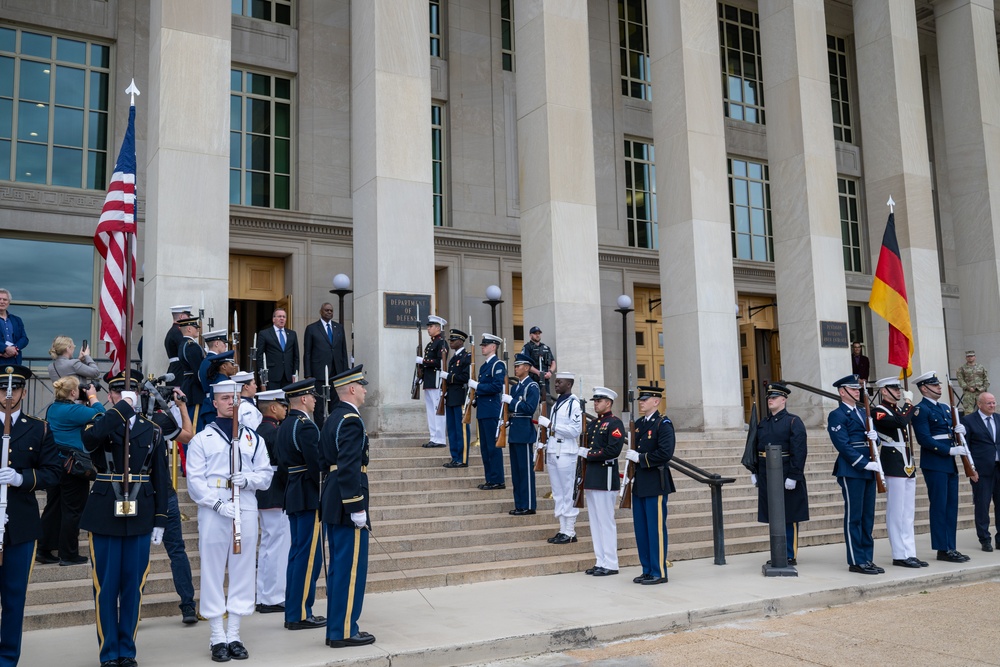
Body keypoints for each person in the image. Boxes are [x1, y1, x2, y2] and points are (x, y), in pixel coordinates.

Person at [80, 369, 170, 667]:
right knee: (106, 587)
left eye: (130, 393)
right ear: (111, 396)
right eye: (118, 394)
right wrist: (119, 410)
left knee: (134, 587)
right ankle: (109, 652)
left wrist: (160, 518)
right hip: (105, 514)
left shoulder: (152, 429)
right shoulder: (101, 423)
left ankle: (127, 651)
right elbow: (91, 440)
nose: (125, 398)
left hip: (141, 514)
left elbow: (160, 476)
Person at [185, 380, 273, 662]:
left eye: (233, 398)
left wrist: (248, 480)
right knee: (212, 569)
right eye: (224, 399)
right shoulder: (202, 438)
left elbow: (266, 475)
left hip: (245, 505)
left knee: (243, 568)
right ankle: (216, 636)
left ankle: (234, 633)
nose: (229, 403)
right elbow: (195, 481)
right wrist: (218, 503)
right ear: (215, 402)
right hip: (214, 508)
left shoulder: (253, 438)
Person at [0, 364, 61, 665]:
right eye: (2, 389)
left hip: (21, 526)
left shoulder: (38, 428)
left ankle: (8, 659)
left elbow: (52, 474)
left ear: (24, 391)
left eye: (14, 389)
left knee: (14, 598)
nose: (8, 395)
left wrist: (21, 478)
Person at [321, 365, 376, 648]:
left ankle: (336, 629)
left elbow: (326, 462)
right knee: (350, 568)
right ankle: (344, 631)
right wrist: (356, 506)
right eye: (362, 385)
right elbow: (349, 466)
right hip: (346, 502)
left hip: (333, 497)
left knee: (339, 568)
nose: (366, 389)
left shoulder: (333, 417)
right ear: (351, 389)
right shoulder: (351, 420)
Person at [275, 378, 326, 631]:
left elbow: (283, 466)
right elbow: (316, 465)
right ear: (304, 399)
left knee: (297, 555)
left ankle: (295, 611)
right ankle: (300, 614)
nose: (316, 400)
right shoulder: (306, 427)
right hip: (308, 495)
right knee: (308, 558)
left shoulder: (285, 425)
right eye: (313, 396)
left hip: (293, 492)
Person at [38, 376, 104, 566]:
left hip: (55, 464)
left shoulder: (53, 408)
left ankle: (44, 548)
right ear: (73, 392)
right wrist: (93, 397)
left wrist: (83, 400)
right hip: (73, 468)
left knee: (53, 507)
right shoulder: (74, 410)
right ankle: (68, 554)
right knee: (73, 510)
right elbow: (102, 416)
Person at [911, 370, 972, 563]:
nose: (939, 388)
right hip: (935, 462)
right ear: (924, 388)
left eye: (938, 384)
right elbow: (925, 439)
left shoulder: (945, 408)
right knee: (939, 506)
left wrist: (962, 430)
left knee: (951, 506)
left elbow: (951, 432)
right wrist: (948, 451)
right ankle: (942, 548)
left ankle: (950, 546)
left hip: (949, 462)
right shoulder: (921, 410)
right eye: (934, 385)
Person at [827, 374, 884, 575]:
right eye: (853, 389)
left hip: (870, 467)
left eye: (858, 389)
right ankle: (856, 560)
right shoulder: (837, 415)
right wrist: (863, 464)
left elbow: (872, 441)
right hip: (852, 469)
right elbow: (842, 444)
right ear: (842, 392)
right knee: (854, 517)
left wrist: (875, 439)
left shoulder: (863, 412)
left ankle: (867, 558)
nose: (857, 391)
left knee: (867, 517)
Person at [156, 386, 199, 625]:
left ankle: (187, 605)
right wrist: (182, 406)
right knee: (176, 551)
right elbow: (188, 435)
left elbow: (187, 436)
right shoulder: (158, 420)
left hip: (159, 494)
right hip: (156, 494)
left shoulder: (156, 420)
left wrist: (180, 407)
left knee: (175, 551)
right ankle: (188, 606)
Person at [871, 377, 925, 568]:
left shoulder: (897, 409)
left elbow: (904, 418)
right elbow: (901, 421)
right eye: (894, 388)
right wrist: (909, 404)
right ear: (884, 391)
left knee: (908, 512)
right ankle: (899, 554)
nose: (899, 391)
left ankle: (910, 552)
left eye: (899, 388)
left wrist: (906, 407)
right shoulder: (879, 411)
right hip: (893, 462)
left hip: (907, 461)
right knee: (896, 511)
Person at [752, 382, 807, 566]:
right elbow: (756, 447)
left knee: (789, 514)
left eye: (774, 397)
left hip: (785, 473)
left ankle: (789, 554)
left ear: (783, 400)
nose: (770, 400)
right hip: (767, 473)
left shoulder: (793, 421)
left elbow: (799, 451)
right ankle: (778, 551)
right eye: (769, 398)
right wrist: (754, 471)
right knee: (774, 515)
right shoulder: (764, 423)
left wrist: (794, 475)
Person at [254, 389, 290, 614]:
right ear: (273, 407)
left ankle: (265, 594)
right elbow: (283, 462)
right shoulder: (273, 431)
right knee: (277, 546)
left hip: (267, 492)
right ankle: (273, 596)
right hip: (275, 491)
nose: (286, 409)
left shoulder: (260, 429)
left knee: (269, 544)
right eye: (283, 406)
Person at [580, 387, 623, 576]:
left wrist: (589, 454)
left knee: (605, 521)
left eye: (599, 401)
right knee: (595, 522)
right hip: (592, 477)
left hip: (605, 477)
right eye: (595, 401)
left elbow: (613, 451)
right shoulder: (593, 424)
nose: (595, 403)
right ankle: (600, 560)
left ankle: (611, 563)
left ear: (609, 403)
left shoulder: (614, 423)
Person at [538, 372, 582, 544]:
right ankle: (563, 529)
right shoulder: (558, 403)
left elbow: (574, 431)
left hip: (566, 452)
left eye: (559, 382)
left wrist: (551, 425)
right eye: (555, 382)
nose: (556, 384)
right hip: (553, 450)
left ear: (569, 384)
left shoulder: (574, 404)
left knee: (567, 492)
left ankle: (570, 531)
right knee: (557, 493)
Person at [962, 392, 1000, 552]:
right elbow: (966, 448)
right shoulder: (969, 421)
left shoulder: (998, 418)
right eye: (989, 403)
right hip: (981, 471)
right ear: (979, 404)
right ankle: (985, 539)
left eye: (993, 403)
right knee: (982, 506)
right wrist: (971, 470)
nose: (992, 406)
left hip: (999, 469)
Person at [467, 333, 506, 490]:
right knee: (485, 447)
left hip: (491, 410)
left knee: (492, 446)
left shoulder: (498, 365)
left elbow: (497, 387)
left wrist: (477, 386)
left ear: (493, 347)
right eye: (482, 345)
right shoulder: (484, 367)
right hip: (483, 410)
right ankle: (490, 478)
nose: (482, 347)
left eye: (485, 345)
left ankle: (497, 479)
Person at [303, 303, 349, 428]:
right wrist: (308, 375)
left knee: (335, 405)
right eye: (326, 310)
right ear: (321, 311)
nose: (329, 312)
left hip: (336, 373)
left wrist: (345, 373)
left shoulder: (339, 328)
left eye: (331, 310)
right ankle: (320, 431)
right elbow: (307, 353)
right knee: (319, 407)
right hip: (318, 374)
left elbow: (343, 351)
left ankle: (333, 430)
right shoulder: (312, 328)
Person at [506, 353, 539, 515]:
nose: (516, 368)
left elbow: (529, 408)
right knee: (516, 472)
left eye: (519, 366)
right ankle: (519, 503)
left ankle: (528, 505)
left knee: (525, 471)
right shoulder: (515, 387)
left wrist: (511, 402)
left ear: (526, 368)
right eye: (516, 366)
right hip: (514, 430)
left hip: (524, 431)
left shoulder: (532, 386)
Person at [441, 329, 471, 468]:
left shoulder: (467, 357)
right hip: (451, 397)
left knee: (461, 429)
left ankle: (462, 458)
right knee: (452, 429)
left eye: (453, 340)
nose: (451, 343)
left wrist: (448, 377)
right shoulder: (453, 358)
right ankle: (455, 457)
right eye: (450, 340)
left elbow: (465, 377)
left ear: (461, 341)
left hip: (460, 397)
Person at [418, 315, 448, 448]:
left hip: (436, 381)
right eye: (428, 327)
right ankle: (433, 437)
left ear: (438, 328)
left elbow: (440, 362)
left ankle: (440, 438)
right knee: (430, 411)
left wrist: (423, 361)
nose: (428, 329)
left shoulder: (441, 343)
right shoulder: (431, 343)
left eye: (430, 327)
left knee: (438, 410)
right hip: (429, 381)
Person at [256, 308, 299, 390]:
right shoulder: (265, 334)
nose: (282, 318)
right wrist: (262, 376)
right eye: (279, 316)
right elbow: (260, 356)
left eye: (284, 317)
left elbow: (296, 356)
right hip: (272, 376)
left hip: (288, 376)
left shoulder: (292, 334)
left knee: (287, 401)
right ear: (273, 319)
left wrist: (295, 373)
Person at [198, 347, 236, 431]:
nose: (234, 367)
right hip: (215, 415)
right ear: (224, 367)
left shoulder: (219, 379)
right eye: (232, 364)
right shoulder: (223, 382)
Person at [177, 316, 205, 424]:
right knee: (194, 424)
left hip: (188, 385)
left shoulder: (183, 344)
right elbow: (198, 372)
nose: (197, 329)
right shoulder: (191, 346)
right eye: (195, 327)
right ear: (189, 329)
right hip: (195, 390)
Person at [522, 326, 555, 402]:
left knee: (546, 401)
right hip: (533, 379)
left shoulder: (546, 348)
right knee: (533, 400)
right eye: (535, 333)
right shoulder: (527, 347)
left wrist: (550, 372)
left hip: (545, 380)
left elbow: (553, 362)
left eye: (539, 333)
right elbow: (526, 364)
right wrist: (538, 373)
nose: (537, 335)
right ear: (530, 335)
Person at [164, 305, 193, 387]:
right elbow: (185, 352)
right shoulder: (178, 332)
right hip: (179, 372)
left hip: (175, 370)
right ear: (181, 316)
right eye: (188, 316)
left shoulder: (173, 331)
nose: (189, 320)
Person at [0, 289, 28, 365]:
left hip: (15, 360)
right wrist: (5, 348)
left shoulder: (17, 320)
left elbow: (24, 339)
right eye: (0, 299)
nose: (2, 302)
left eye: (5, 299)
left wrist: (14, 349)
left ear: (8, 302)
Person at [957, 350, 990, 415]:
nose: (970, 357)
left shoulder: (981, 367)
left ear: (975, 357)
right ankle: (969, 424)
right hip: (969, 393)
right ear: (966, 358)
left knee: (984, 409)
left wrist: (983, 388)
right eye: (968, 356)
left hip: (980, 392)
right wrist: (968, 387)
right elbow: (960, 380)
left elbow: (986, 379)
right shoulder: (962, 368)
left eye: (971, 356)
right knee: (968, 412)